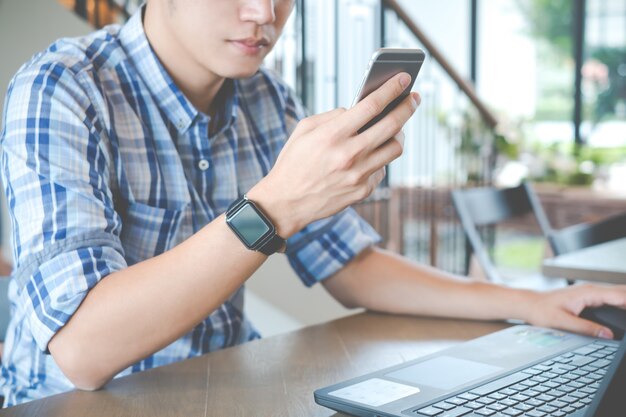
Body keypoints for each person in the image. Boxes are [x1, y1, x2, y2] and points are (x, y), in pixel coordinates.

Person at [1, 0, 625, 407]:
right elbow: (83, 353)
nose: (263, 15)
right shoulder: (61, 88)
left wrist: (530, 304)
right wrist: (273, 208)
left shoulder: (263, 96)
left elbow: (351, 264)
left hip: (220, 388)